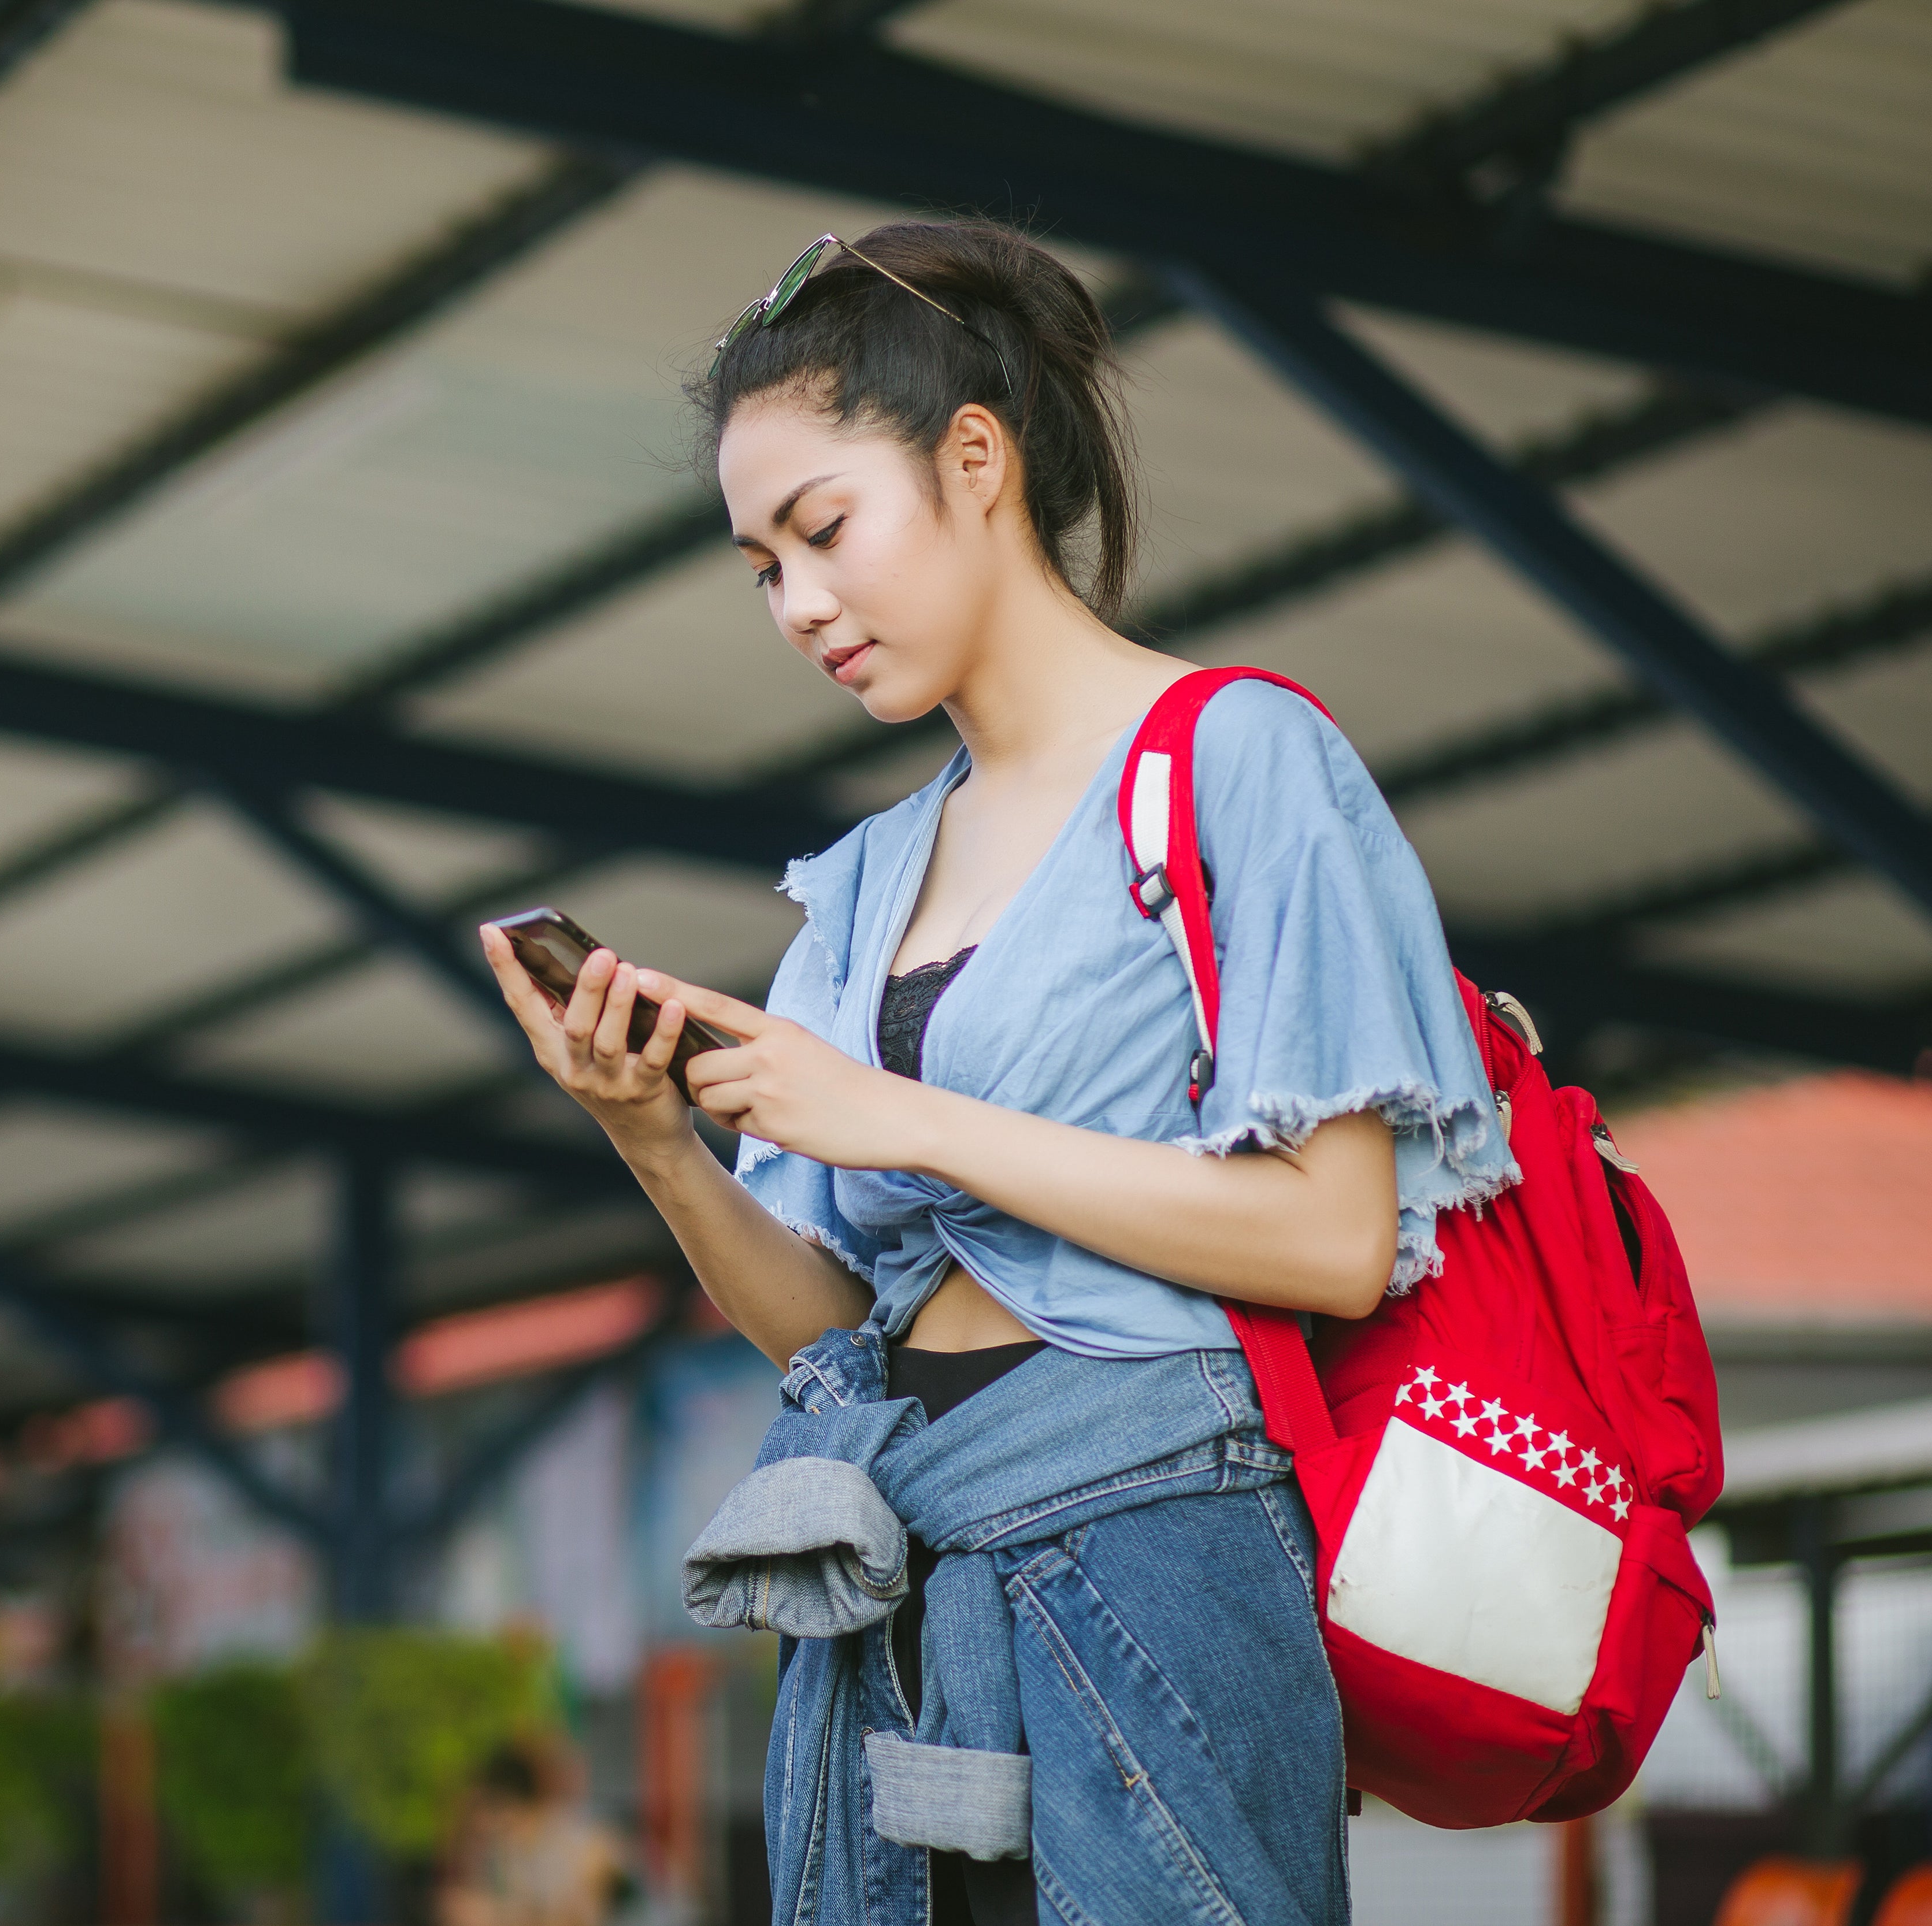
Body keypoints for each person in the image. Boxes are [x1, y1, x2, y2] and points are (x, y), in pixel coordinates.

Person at [479, 220, 1510, 1925]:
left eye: (822, 530)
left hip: (1150, 1541)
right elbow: (831, 1329)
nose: (798, 602)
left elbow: (1335, 1237)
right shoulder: (870, 873)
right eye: (758, 565)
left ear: (975, 458)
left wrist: (894, 1115)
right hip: (905, 1556)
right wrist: (653, 1140)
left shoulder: (1236, 758)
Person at [435, 1743, 626, 1926]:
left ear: (509, 1802)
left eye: (487, 1808)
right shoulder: (509, 1855)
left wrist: (497, 1917)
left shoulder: (584, 1843)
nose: (483, 1823)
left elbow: (586, 1914)